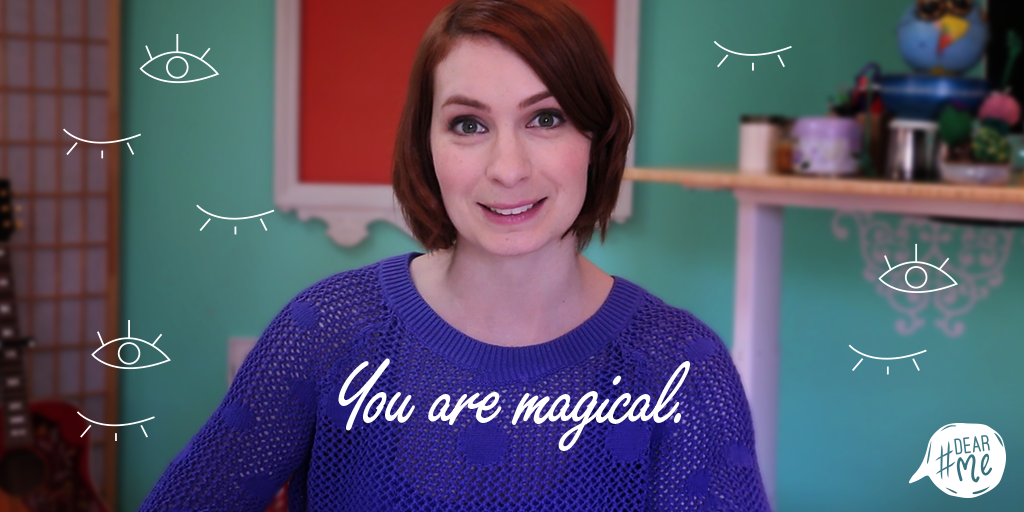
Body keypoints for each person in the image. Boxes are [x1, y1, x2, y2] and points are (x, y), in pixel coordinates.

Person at [140, 0, 771, 510]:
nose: (508, 168)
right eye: (469, 124)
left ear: (596, 139)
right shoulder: (326, 331)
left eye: (546, 118)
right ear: (427, 145)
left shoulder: (681, 368)